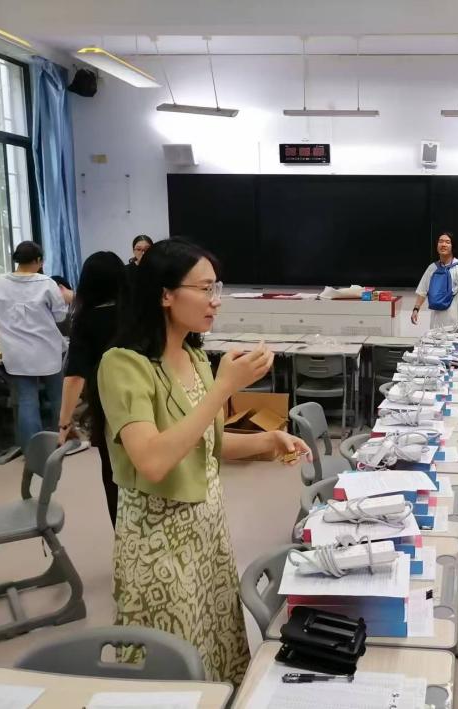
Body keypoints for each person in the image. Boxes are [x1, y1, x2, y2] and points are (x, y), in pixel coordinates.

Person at [97, 238, 311, 685]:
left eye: (217, 288)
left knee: (216, 650)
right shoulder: (123, 365)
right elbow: (153, 461)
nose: (216, 301)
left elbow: (206, 444)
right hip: (158, 544)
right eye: (205, 289)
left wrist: (268, 440)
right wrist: (223, 389)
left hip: (207, 536)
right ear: (165, 294)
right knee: (173, 666)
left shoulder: (195, 358)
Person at [57, 252, 129, 529]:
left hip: (107, 406)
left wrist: (64, 423)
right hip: (146, 397)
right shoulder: (137, 315)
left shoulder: (86, 320)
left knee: (114, 475)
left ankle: (124, 539)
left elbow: (75, 376)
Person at [0, 241, 68, 451]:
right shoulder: (46, 283)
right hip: (47, 350)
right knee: (58, 397)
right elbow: (60, 316)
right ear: (38, 260)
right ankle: (62, 441)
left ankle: (33, 450)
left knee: (27, 400)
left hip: (16, 352)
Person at [411, 232, 458, 337]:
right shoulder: (432, 268)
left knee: (453, 347)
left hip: (455, 322)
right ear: (437, 246)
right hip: (436, 323)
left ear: (452, 246)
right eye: (440, 241)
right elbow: (422, 291)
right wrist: (416, 309)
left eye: (447, 242)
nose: (443, 244)